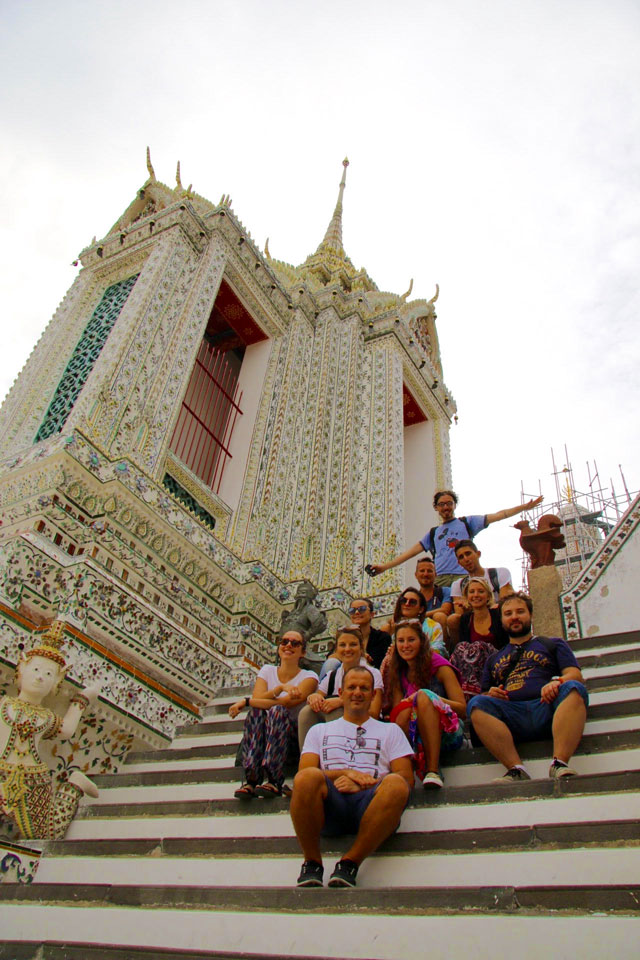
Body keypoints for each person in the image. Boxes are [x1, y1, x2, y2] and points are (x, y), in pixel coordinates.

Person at [291, 665, 413, 888]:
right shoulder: (319, 731)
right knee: (306, 779)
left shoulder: (390, 731)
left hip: (370, 804)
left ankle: (350, 863)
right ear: (340, 692)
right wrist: (347, 772)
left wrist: (362, 784)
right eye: (352, 687)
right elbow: (305, 772)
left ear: (373, 694)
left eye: (364, 688)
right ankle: (312, 863)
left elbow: (406, 778)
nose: (357, 692)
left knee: (396, 784)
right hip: (331, 804)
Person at [467, 593, 588, 782]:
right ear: (502, 620)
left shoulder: (553, 644)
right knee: (477, 703)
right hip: (512, 716)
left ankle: (560, 763)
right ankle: (515, 769)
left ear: (530, 615)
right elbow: (485, 693)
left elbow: (575, 675)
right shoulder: (493, 659)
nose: (514, 616)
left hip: (547, 708)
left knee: (572, 687)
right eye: (508, 613)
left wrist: (557, 682)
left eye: (520, 611)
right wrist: (491, 694)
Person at [0, 621, 100, 840]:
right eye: (36, 669)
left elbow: (67, 730)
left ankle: (74, 785)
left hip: (34, 781)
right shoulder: (4, 705)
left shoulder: (45, 717)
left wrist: (83, 699)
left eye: (47, 674)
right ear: (22, 667)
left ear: (57, 681)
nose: (39, 677)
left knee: (45, 834)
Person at [369, 489, 543, 585]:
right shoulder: (433, 533)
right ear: (436, 508)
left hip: (464, 576)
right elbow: (410, 553)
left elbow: (500, 514)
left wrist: (523, 508)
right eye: (442, 504)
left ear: (454, 505)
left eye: (449, 503)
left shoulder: (467, 523)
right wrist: (385, 567)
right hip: (441, 579)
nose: (446, 507)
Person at [229, 630, 318, 798]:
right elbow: (258, 699)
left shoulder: (309, 676)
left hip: (289, 739)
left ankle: (273, 778)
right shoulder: (267, 670)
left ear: (303, 652)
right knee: (257, 712)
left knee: (276, 711)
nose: (288, 646)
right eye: (284, 642)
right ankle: (251, 779)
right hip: (264, 735)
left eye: (295, 643)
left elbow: (286, 703)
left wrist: (246, 702)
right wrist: (279, 688)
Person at [386, 619, 466, 788]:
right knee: (403, 714)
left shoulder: (440, 666)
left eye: (411, 640)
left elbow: (462, 708)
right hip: (415, 732)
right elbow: (398, 715)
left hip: (449, 730)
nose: (405, 645)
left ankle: (432, 770)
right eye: (401, 641)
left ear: (421, 642)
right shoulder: (399, 673)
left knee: (422, 696)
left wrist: (429, 698)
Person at [297, 627, 383, 750]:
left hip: (365, 725)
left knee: (337, 711)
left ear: (361, 647)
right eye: (342, 645)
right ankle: (308, 759)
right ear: (337, 649)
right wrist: (314, 697)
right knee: (307, 712)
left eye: (353, 644)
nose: (347, 649)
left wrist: (341, 702)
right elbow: (319, 695)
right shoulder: (333, 675)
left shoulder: (373, 674)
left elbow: (374, 713)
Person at [449, 577, 508, 699]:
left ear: (488, 596)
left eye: (480, 591)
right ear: (467, 597)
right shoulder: (466, 619)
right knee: (462, 648)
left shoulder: (497, 615)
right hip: (473, 667)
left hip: (497, 661)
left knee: (479, 646)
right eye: (472, 592)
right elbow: (464, 648)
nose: (476, 595)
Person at [447, 541, 513, 646]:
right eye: (461, 557)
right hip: (473, 620)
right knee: (452, 619)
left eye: (468, 554)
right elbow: (460, 613)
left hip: (497, 619)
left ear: (478, 554)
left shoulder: (499, 573)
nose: (466, 559)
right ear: (459, 562)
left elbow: (506, 603)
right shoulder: (458, 585)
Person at [319, 598, 390, 678]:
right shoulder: (345, 635)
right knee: (331, 663)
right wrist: (360, 655)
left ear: (372, 614)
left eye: (362, 609)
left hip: (369, 677)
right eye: (352, 610)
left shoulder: (382, 637)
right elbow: (331, 656)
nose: (356, 612)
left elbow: (377, 664)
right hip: (344, 675)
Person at [379, 587, 447, 657]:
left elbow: (439, 650)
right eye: (404, 600)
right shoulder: (392, 627)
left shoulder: (433, 626)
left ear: (421, 609)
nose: (407, 604)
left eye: (412, 602)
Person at [414, 556, 452, 639]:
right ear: (416, 575)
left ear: (435, 574)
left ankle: (442, 651)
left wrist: (420, 615)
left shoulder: (445, 591)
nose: (425, 574)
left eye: (429, 571)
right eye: (422, 571)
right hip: (418, 633)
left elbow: (445, 610)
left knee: (439, 616)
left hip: (439, 634)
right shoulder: (413, 597)